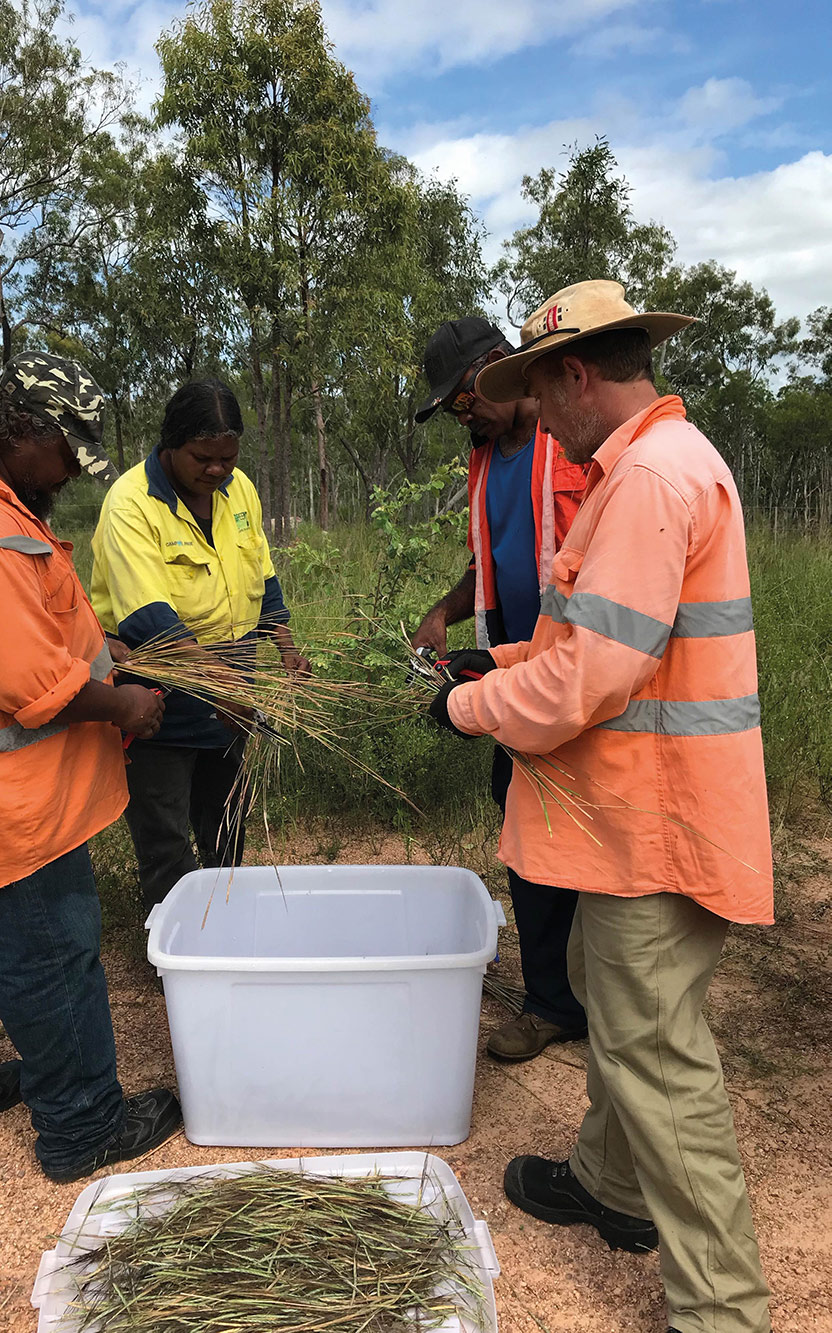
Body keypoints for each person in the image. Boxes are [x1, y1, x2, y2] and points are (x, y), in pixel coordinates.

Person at [429, 280, 773, 1331]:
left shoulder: (647, 482)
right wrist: (499, 653)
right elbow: (594, 641)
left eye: (539, 390)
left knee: (657, 1058)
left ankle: (722, 1308)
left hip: (656, 823)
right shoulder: (654, 465)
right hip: (635, 816)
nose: (539, 417)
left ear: (575, 375)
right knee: (622, 1007)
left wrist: (467, 704)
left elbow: (590, 682)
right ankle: (611, 1185)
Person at [0, 353, 182, 1184]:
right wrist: (122, 704)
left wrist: (103, 645)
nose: (70, 478)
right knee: (52, 951)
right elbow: (24, 683)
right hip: (4, 808)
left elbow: (11, 631)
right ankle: (85, 1125)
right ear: (25, 433)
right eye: (66, 457)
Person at [412, 317, 589, 1061]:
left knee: (587, 841)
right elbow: (489, 563)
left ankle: (592, 996)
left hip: (579, 682)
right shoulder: (486, 462)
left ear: (495, 369)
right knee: (527, 839)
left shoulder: (574, 445)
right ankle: (552, 1000)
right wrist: (445, 612)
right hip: (513, 678)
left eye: (462, 401)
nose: (465, 417)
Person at [90, 379, 309, 916]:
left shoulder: (241, 491)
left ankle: (226, 927)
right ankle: (175, 948)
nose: (217, 470)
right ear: (170, 444)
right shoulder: (130, 504)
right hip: (157, 688)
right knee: (165, 832)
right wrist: (225, 686)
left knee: (227, 816)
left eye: (227, 458)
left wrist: (285, 646)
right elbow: (150, 620)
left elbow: (262, 574)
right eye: (203, 458)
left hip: (233, 682)